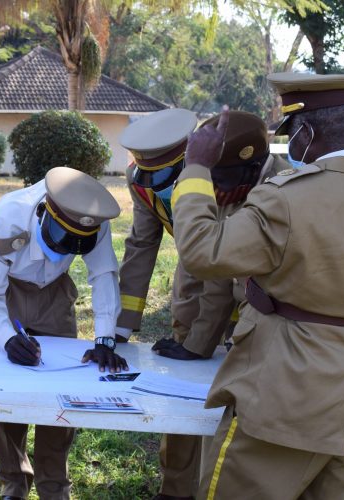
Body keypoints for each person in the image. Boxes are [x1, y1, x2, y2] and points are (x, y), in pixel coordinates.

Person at [173, 73, 344, 499]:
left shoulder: (284, 198)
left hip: (281, 405)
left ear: (305, 132)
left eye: (291, 131)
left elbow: (201, 251)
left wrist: (195, 167)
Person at [117, 109, 286, 500]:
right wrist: (123, 326)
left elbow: (224, 268)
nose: (167, 186)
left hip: (254, 287)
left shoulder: (242, 177)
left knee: (236, 389)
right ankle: (176, 488)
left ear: (196, 158)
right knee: (182, 385)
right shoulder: (141, 181)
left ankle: (223, 483)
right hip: (196, 270)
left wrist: (200, 343)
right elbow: (142, 245)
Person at [0, 166, 128, 500]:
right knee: (8, 391)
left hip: (55, 295)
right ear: (44, 211)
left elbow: (104, 274)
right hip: (9, 293)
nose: (64, 249)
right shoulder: (7, 218)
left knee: (63, 389)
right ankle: (13, 484)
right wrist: (7, 338)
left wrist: (104, 339)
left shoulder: (92, 219)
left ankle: (54, 486)